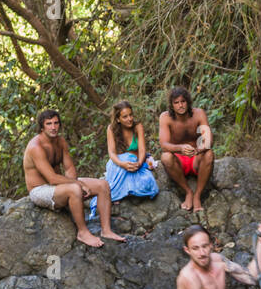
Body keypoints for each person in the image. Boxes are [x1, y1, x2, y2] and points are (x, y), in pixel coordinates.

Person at [23, 109, 126, 247]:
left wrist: (76, 183)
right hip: (40, 190)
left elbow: (69, 169)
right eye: (49, 124)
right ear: (42, 127)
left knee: (103, 185)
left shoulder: (60, 142)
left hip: (58, 185)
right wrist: (77, 185)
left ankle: (106, 230)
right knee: (74, 189)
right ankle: (82, 233)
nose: (53, 127)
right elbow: (52, 178)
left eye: (56, 123)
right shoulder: (36, 147)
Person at [157, 87, 214, 213]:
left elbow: (209, 140)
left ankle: (197, 195)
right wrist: (180, 148)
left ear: (188, 102)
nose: (180, 105)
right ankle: (188, 192)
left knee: (209, 154)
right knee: (165, 157)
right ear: (172, 105)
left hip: (196, 158)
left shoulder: (199, 114)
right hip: (179, 160)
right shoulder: (165, 117)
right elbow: (164, 145)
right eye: (176, 103)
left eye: (183, 102)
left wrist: (199, 150)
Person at [104, 100, 159, 206]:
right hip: (120, 164)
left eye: (130, 115)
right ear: (118, 119)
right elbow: (111, 153)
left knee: (150, 186)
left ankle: (123, 190)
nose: (129, 119)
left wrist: (139, 163)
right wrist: (122, 164)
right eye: (125, 117)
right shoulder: (111, 129)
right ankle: (119, 192)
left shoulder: (138, 126)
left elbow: (142, 150)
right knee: (113, 165)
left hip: (136, 163)